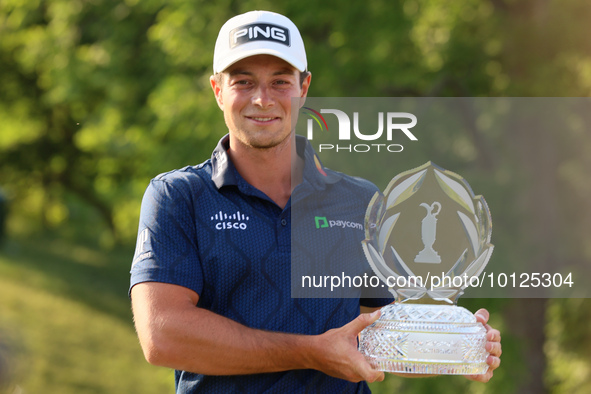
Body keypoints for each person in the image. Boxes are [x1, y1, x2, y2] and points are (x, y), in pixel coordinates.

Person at [129, 10, 502, 393]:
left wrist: (462, 345)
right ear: (217, 90)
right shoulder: (179, 197)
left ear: (304, 88)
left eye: (280, 82)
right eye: (244, 82)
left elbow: (384, 335)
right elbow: (163, 336)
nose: (262, 99)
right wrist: (310, 352)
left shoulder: (360, 201)